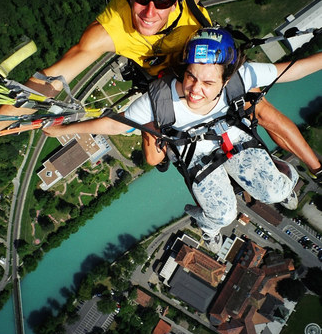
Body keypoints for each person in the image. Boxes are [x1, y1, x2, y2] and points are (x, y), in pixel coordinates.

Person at [0, 0, 321, 177]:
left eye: (162, 2)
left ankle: (317, 168)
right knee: (153, 157)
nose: (150, 13)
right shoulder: (109, 30)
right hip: (165, 80)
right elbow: (46, 84)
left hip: (206, 64)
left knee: (259, 110)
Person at [43, 26, 322, 252]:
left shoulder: (242, 76)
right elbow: (113, 125)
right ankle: (207, 223)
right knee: (224, 216)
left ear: (226, 80)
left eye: (208, 83)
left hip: (234, 139)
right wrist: (61, 130)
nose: (195, 91)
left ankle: (282, 178)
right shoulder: (161, 98)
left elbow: (296, 69)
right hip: (195, 154)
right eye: (190, 77)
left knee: (276, 192)